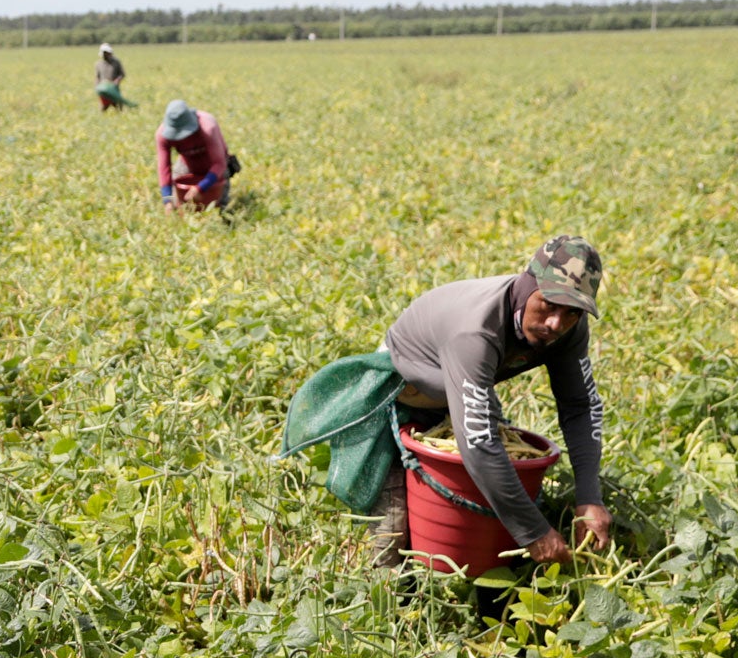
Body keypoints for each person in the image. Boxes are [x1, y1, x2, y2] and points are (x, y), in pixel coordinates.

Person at [281, 236, 611, 570]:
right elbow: (479, 444)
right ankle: (388, 600)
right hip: (404, 388)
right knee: (391, 538)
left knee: (491, 492)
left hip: (462, 384)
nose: (556, 322)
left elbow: (579, 406)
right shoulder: (476, 330)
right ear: (528, 287)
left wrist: (589, 496)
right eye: (548, 304)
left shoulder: (569, 328)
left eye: (572, 312)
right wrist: (535, 531)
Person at [156, 100, 229, 210]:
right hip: (188, 164)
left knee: (218, 207)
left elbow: (219, 164)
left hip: (216, 167)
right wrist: (167, 200)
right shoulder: (162, 135)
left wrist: (201, 187)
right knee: (179, 205)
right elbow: (164, 169)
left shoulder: (207, 128)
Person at [94, 43, 129, 111]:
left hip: (114, 89)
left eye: (106, 53)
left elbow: (122, 74)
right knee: (103, 108)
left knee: (118, 107)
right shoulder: (98, 64)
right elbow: (97, 77)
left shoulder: (116, 62)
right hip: (103, 90)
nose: (105, 55)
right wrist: (97, 86)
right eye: (104, 53)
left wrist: (117, 81)